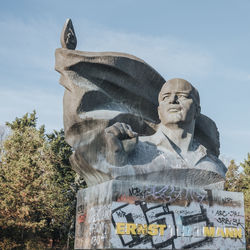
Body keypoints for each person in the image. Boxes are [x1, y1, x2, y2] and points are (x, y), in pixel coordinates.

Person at [104, 78, 227, 188]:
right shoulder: (133, 149)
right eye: (165, 97)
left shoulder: (214, 164)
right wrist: (114, 155)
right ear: (159, 111)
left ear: (197, 110)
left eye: (182, 96)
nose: (172, 100)